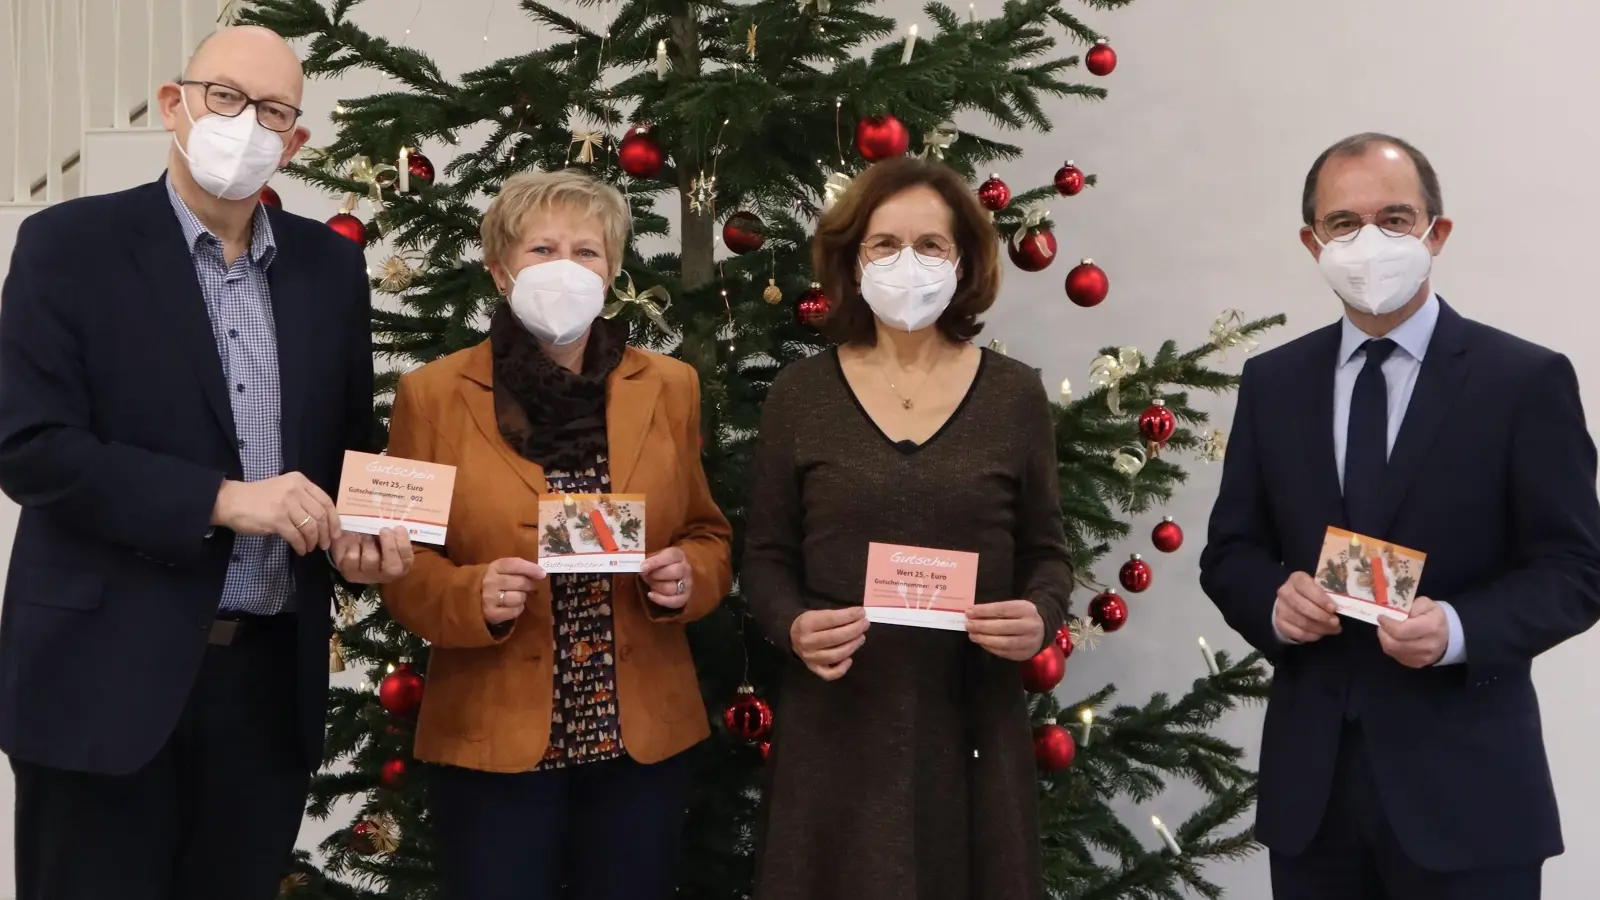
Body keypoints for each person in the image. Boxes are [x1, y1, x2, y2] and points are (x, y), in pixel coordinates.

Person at [0, 26, 413, 900]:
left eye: (272, 111)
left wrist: (364, 540)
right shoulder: (67, 246)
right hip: (100, 681)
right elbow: (29, 447)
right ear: (173, 104)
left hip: (263, 690)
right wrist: (222, 500)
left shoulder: (331, 268)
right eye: (224, 96)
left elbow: (343, 451)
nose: (245, 124)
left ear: (294, 143)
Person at [1199, 132, 1600, 900]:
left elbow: (1575, 571)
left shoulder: (1524, 381)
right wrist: (1276, 604)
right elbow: (1232, 551)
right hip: (1314, 792)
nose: (1368, 242)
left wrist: (1455, 630)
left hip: (1470, 794)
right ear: (1312, 243)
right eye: (1344, 224)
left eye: (1394, 217)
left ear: (1436, 233)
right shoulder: (1274, 382)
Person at [380, 168, 733, 900]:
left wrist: (688, 579)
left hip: (639, 741)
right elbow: (404, 563)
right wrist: (472, 594)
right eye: (542, 250)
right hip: (492, 741)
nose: (566, 268)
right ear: (499, 268)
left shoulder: (669, 387)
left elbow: (707, 533)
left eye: (587, 251)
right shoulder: (434, 394)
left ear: (614, 270)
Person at [744, 156, 1074, 900]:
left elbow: (1047, 553)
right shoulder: (799, 395)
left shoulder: (1015, 395)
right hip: (836, 724)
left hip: (971, 726)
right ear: (850, 259)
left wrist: (1040, 616)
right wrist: (793, 625)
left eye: (931, 245)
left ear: (966, 263)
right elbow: (763, 557)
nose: (907, 263)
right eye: (884, 244)